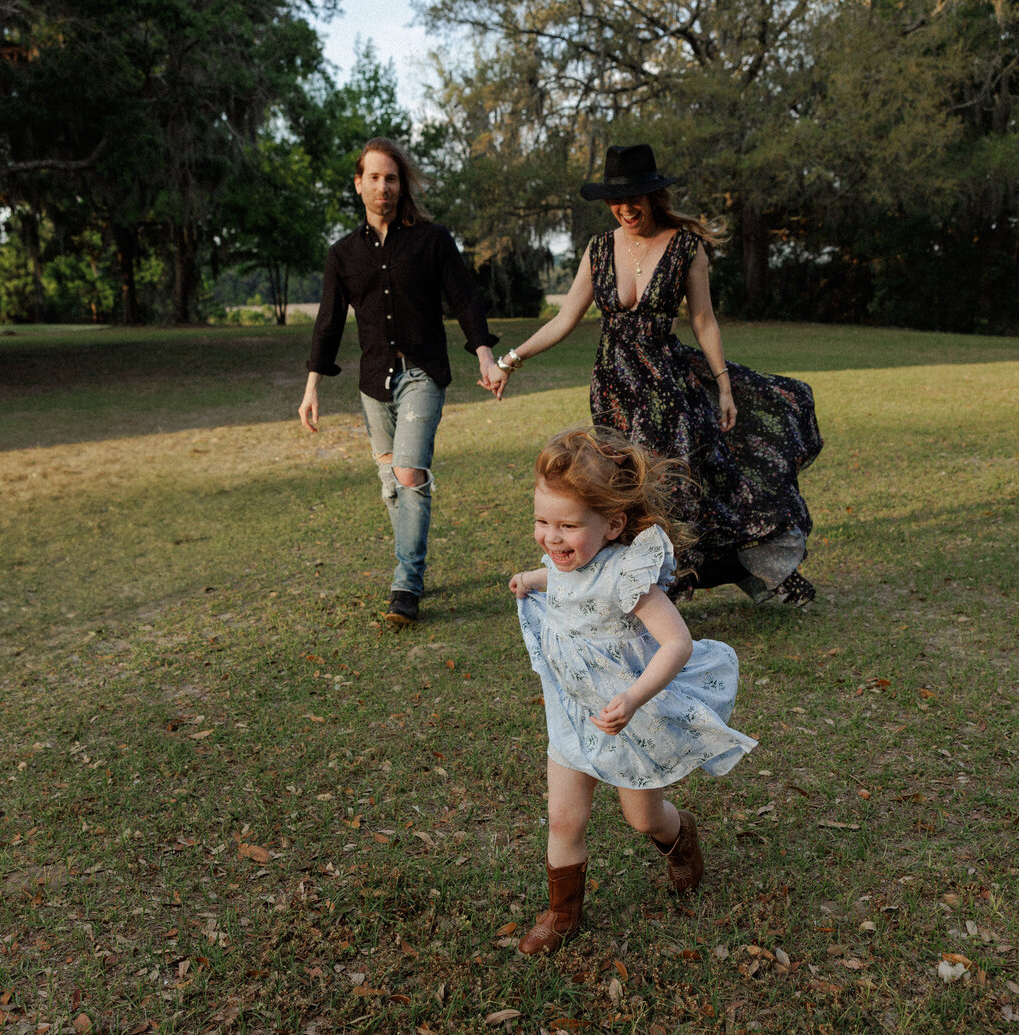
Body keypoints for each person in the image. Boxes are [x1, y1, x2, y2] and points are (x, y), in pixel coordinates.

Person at [486, 144, 822, 602]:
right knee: (626, 489)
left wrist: (724, 385)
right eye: (616, 200)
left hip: (667, 388)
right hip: (613, 390)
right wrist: (509, 361)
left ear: (654, 196)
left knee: (673, 488)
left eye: (635, 198)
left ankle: (680, 587)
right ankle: (642, 587)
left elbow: (703, 320)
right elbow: (564, 320)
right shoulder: (599, 249)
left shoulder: (686, 247)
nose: (626, 208)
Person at [508, 427, 756, 955]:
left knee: (641, 817)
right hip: (572, 715)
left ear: (613, 524)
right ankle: (562, 913)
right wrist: (531, 578)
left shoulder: (629, 574)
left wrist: (634, 698)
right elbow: (563, 580)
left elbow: (677, 643)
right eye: (542, 522)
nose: (552, 538)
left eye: (568, 526)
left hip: (630, 718)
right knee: (564, 819)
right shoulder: (562, 558)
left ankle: (679, 836)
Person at [300, 137, 501, 626]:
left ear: (401, 184)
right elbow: (328, 322)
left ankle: (406, 583)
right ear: (358, 184)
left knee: (409, 473)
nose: (383, 187)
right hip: (374, 382)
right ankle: (410, 569)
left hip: (422, 373)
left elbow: (465, 298)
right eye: (373, 177)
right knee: (391, 482)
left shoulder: (432, 240)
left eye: (391, 178)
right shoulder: (343, 254)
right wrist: (311, 387)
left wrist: (484, 354)